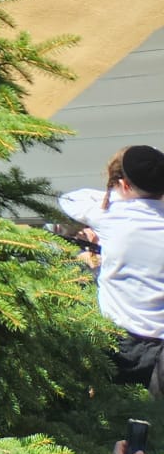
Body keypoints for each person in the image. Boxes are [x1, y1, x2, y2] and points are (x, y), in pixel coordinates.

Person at [61, 146, 164, 397]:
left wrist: (114, 195)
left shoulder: (111, 215)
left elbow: (69, 199)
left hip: (118, 342)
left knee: (114, 418)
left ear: (125, 186)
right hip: (162, 352)